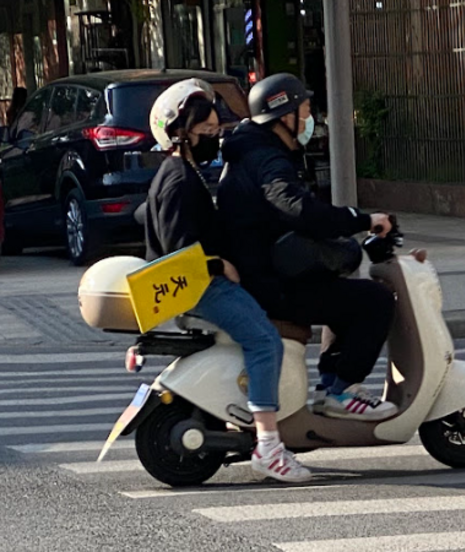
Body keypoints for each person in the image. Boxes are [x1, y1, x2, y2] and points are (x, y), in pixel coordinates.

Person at [144, 79, 313, 483]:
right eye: (207, 132)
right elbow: (177, 249)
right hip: (202, 287)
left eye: (217, 132)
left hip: (203, 283)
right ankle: (269, 446)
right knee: (263, 340)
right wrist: (218, 265)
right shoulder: (179, 180)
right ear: (182, 133)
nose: (214, 139)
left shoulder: (183, 172)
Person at [217, 73, 398, 422]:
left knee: (341, 289)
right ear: (283, 115)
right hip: (270, 283)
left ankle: (330, 386)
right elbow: (297, 208)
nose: (308, 118)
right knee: (375, 300)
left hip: (267, 272)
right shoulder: (267, 159)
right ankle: (341, 391)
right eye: (304, 109)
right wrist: (360, 220)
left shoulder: (251, 151)